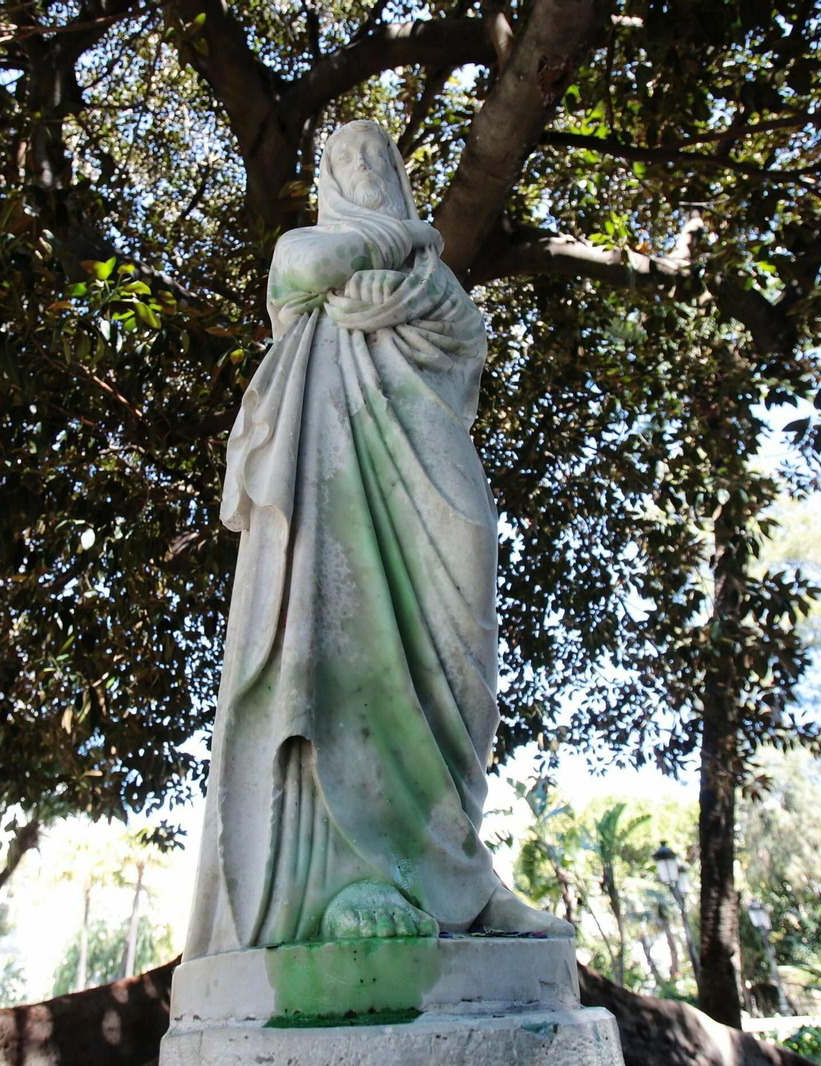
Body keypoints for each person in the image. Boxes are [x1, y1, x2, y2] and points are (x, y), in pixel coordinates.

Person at [183, 120, 571, 959]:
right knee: (336, 648)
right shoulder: (312, 245)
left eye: (376, 156)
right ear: (326, 176)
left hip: (429, 467)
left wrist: (412, 268)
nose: (361, 167)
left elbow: (467, 338)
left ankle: (459, 872)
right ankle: (343, 880)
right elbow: (310, 271)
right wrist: (408, 245)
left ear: (395, 173)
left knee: (454, 661)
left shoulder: (429, 274)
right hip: (330, 479)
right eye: (344, 156)